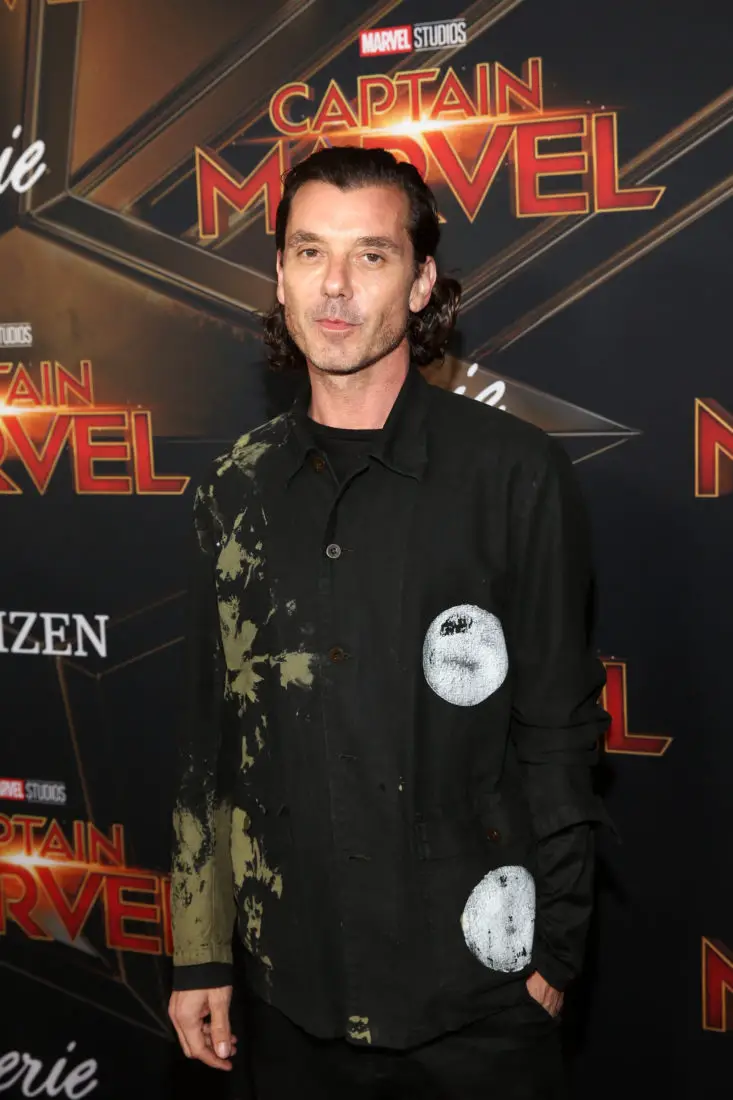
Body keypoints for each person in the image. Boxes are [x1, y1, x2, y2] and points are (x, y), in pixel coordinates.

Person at [168, 146, 612, 1099]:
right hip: (290, 993)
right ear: (279, 276)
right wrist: (201, 952)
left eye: (369, 255)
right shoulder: (233, 487)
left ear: (419, 284)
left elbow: (560, 727)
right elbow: (212, 741)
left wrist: (555, 952)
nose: (334, 286)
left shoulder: (512, 473)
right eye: (308, 252)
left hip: (477, 998)